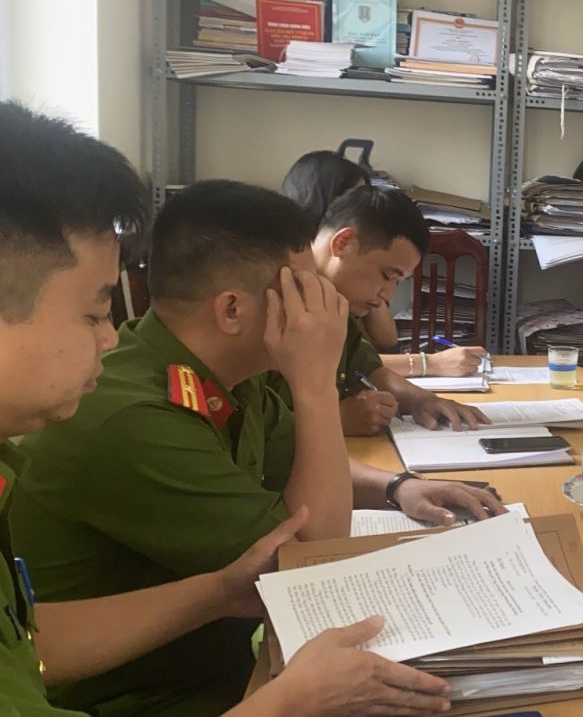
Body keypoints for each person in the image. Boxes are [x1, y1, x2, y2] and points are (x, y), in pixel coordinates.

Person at [0, 102, 455, 716]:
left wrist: (398, 487)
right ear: (234, 310)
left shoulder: (230, 377)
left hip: (212, 663)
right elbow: (315, 551)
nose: (108, 337)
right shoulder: (129, 418)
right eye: (93, 312)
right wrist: (315, 381)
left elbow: (30, 645)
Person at [280, 151, 486, 377]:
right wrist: (429, 364)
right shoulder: (286, 287)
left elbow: (384, 339)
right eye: (355, 197)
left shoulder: (337, 289)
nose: (366, 205)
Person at [307, 185, 492, 436]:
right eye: (387, 275)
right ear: (343, 243)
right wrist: (337, 419)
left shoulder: (335, 305)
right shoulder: (275, 303)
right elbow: (259, 425)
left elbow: (369, 369)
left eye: (397, 282)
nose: (388, 295)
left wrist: (422, 400)